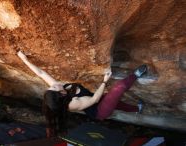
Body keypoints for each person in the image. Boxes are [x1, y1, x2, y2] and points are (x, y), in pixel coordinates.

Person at [17, 51, 147, 138]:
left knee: (118, 103)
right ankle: (136, 75)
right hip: (99, 110)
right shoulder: (73, 104)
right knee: (118, 88)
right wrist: (104, 81)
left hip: (95, 99)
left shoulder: (58, 89)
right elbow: (95, 99)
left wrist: (25, 60)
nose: (54, 84)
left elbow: (40, 73)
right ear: (61, 95)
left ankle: (137, 109)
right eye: (54, 87)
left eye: (51, 86)